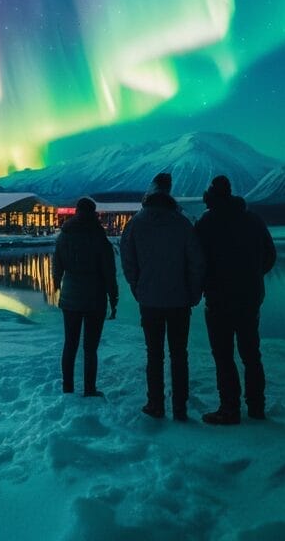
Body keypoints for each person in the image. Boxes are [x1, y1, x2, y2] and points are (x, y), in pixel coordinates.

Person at [120, 172, 205, 421]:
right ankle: (180, 407)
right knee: (180, 354)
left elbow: (128, 260)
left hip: (149, 300)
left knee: (154, 354)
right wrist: (193, 292)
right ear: (168, 194)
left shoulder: (136, 223)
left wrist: (137, 287)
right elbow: (197, 262)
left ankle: (155, 404)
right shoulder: (182, 223)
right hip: (179, 301)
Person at [194, 175, 277, 425]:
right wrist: (253, 276)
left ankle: (229, 408)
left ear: (211, 195)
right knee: (251, 354)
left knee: (223, 355)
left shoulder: (207, 223)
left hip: (219, 300)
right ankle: (256, 406)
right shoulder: (252, 220)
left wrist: (205, 283)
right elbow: (270, 255)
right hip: (249, 298)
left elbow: (197, 262)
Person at [52, 196, 119, 397]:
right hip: (95, 299)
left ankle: (68, 387)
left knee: (69, 344)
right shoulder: (99, 237)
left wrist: (57, 287)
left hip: (70, 297)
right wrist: (113, 299)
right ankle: (89, 388)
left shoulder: (64, 236)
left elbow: (57, 266)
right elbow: (109, 272)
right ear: (93, 213)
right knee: (90, 347)